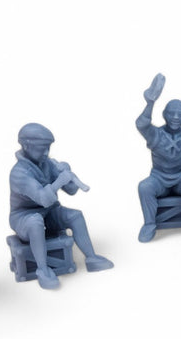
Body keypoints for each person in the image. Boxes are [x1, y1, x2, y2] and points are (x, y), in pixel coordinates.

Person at [9, 123, 113, 289]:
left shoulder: (47, 163)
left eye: (48, 148)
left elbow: (71, 190)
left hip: (49, 212)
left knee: (75, 216)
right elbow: (43, 198)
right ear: (26, 146)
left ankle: (91, 258)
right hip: (24, 216)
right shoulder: (19, 173)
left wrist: (69, 175)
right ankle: (43, 270)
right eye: (42, 149)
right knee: (35, 222)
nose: (46, 153)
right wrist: (59, 181)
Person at [136, 73, 181, 242]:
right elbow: (141, 124)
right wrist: (150, 102)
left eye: (180, 114)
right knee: (144, 187)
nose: (176, 117)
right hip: (158, 178)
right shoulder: (155, 134)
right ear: (164, 114)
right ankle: (149, 224)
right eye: (172, 113)